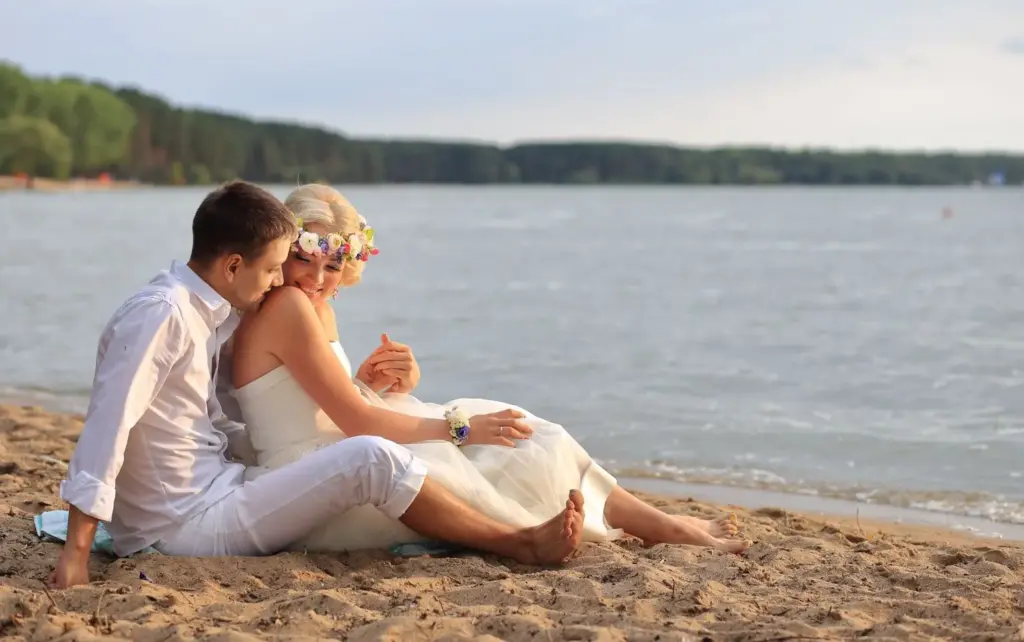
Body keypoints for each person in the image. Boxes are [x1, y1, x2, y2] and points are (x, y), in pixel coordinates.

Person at [49, 181, 587, 589]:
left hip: (220, 485)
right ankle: (519, 544)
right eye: (276, 269)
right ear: (234, 263)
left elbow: (243, 414)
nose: (281, 285)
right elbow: (107, 426)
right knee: (371, 458)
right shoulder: (162, 315)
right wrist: (77, 550)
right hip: (184, 524)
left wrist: (356, 385)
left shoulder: (207, 311)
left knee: (370, 452)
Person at [226, 183, 750, 554]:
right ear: (282, 247)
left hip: (337, 457)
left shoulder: (314, 307)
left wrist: (370, 381)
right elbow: (357, 424)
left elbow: (323, 402)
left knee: (525, 430)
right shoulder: (287, 308)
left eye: (333, 264)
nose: (317, 277)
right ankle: (650, 526)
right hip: (315, 485)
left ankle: (655, 522)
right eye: (304, 258)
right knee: (487, 440)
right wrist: (460, 431)